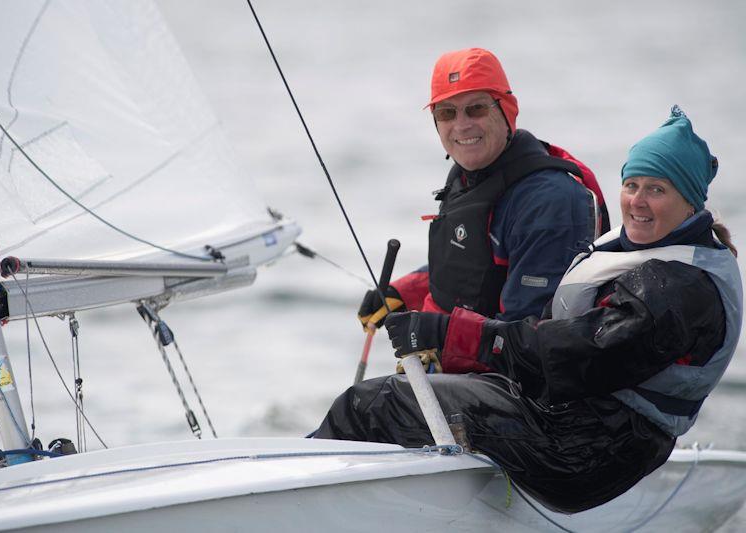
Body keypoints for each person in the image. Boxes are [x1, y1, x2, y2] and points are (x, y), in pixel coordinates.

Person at [317, 106, 742, 513]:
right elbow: (500, 266)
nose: (638, 201)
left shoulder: (678, 288)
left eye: (657, 190)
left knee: (370, 405)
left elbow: (579, 355)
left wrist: (452, 335)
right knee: (400, 402)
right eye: (632, 185)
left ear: (690, 202)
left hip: (589, 453)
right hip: (578, 426)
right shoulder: (652, 249)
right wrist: (411, 293)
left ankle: (304, 498)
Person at [358, 47, 609, 332]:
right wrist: (405, 293)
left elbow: (530, 334)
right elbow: (472, 269)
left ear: (507, 110)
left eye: (475, 108)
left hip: (511, 372)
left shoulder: (551, 201)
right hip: (454, 361)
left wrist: (439, 339)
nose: (461, 125)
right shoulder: (471, 173)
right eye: (446, 112)